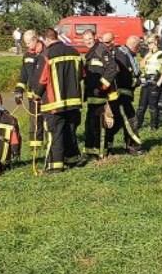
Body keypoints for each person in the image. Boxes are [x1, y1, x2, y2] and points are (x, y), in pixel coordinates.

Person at [34, 28, 85, 172]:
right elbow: (82, 74)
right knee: (70, 130)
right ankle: (72, 159)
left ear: (46, 39)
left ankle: (55, 166)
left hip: (54, 103)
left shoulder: (47, 54)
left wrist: (37, 94)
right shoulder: (75, 52)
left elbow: (43, 80)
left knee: (55, 133)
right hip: (74, 102)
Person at [81, 29, 119, 160]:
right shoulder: (90, 53)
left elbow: (113, 68)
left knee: (99, 124)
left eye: (90, 39)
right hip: (92, 95)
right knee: (90, 123)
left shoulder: (101, 49)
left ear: (95, 37)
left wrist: (103, 85)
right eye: (85, 40)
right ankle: (90, 150)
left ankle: (101, 152)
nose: (88, 42)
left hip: (101, 95)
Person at [105, 35, 143, 156]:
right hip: (120, 95)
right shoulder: (123, 55)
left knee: (118, 122)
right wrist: (137, 81)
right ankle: (133, 147)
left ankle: (107, 146)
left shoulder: (125, 53)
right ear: (136, 47)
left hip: (122, 95)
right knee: (131, 120)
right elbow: (125, 77)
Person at [14, 30, 46, 149]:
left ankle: (49, 143)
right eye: (25, 43)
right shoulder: (27, 55)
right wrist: (19, 90)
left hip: (45, 93)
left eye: (28, 43)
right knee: (34, 119)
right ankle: (35, 145)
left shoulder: (45, 53)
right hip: (32, 94)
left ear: (35, 39)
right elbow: (23, 75)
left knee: (47, 119)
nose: (27, 46)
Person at [137, 34, 162, 130]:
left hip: (155, 80)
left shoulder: (161, 54)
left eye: (150, 42)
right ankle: (138, 125)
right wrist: (146, 57)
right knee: (141, 106)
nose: (148, 45)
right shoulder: (148, 54)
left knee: (153, 106)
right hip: (146, 80)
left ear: (155, 43)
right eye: (147, 43)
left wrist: (159, 83)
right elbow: (141, 65)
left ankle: (153, 126)